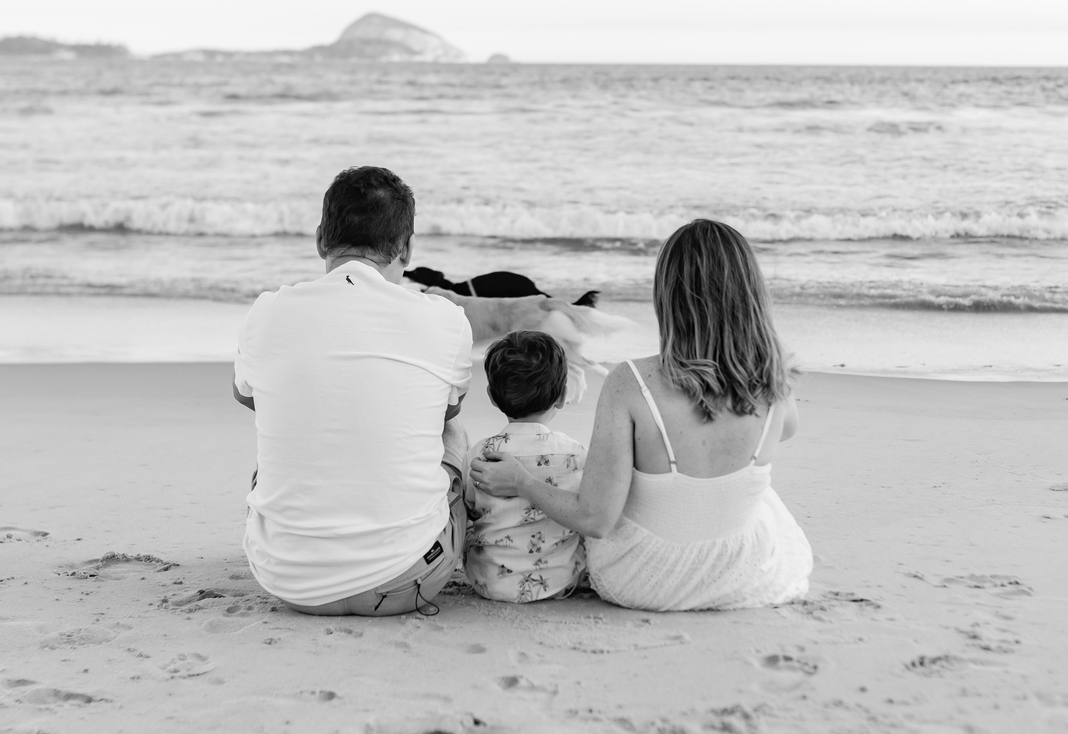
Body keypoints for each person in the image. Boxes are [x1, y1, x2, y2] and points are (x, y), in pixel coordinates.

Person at [470, 219, 813, 611]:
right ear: (751, 295)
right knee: (761, 495)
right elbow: (785, 431)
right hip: (741, 574)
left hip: (643, 578)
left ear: (668, 296)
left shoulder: (632, 382)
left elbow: (595, 518)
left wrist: (522, 481)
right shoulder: (774, 384)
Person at [233, 166, 473, 616]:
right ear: (405, 247)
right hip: (407, 582)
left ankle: (308, 537)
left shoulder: (266, 313)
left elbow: (246, 396)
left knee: (289, 420)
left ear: (322, 238)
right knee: (453, 436)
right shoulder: (445, 320)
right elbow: (445, 416)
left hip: (289, 581)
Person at [463, 331, 588, 603]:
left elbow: (469, 509)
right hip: (563, 580)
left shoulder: (478, 454)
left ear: (492, 397)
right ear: (562, 396)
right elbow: (585, 509)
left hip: (488, 582)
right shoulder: (576, 453)